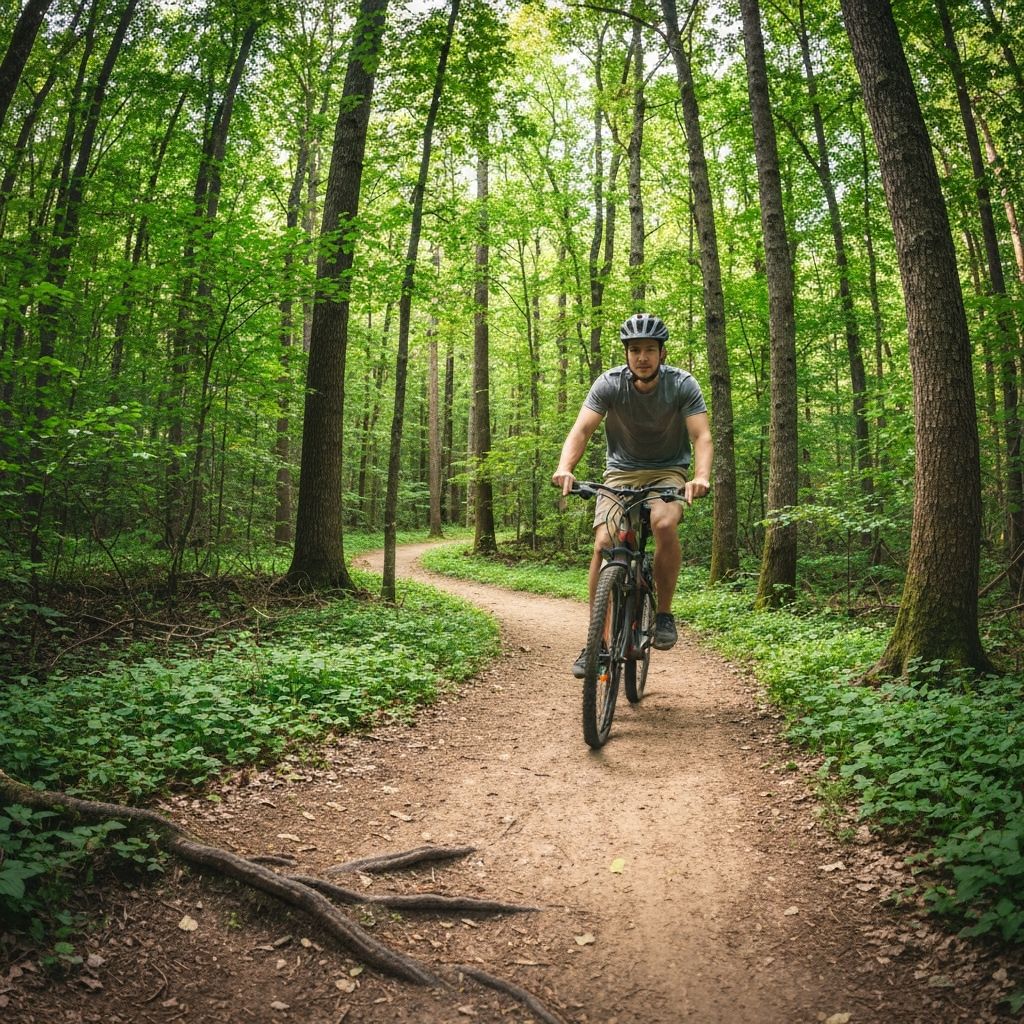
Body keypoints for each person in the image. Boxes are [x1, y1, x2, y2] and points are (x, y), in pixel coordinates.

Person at [552, 312, 712, 677]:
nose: (642, 357)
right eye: (635, 350)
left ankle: (664, 615)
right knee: (604, 541)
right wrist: (565, 467)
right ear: (626, 354)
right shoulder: (608, 384)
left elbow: (701, 436)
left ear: (662, 353)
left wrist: (700, 477)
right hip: (620, 474)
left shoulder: (682, 384)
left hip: (667, 471)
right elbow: (582, 430)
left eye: (650, 350)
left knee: (664, 522)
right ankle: (599, 641)